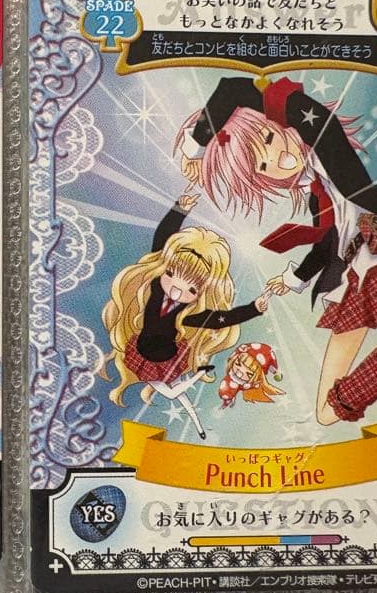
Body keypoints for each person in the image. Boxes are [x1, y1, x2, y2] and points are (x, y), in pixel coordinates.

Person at [178, 76, 377, 431]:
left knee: (344, 393)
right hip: (367, 259)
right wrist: (293, 278)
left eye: (269, 139)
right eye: (263, 167)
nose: (278, 159)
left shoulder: (315, 129)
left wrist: (196, 145)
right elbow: (327, 241)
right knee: (333, 407)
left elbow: (234, 88)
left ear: (280, 123)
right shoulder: (316, 189)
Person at [100, 188, 271, 440]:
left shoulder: (190, 314)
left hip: (166, 359)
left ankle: (198, 424)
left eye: (191, 289)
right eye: (171, 274)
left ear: (202, 292)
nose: (177, 289)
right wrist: (179, 210)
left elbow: (220, 319)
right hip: (142, 350)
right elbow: (161, 244)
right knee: (175, 393)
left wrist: (253, 309)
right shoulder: (154, 287)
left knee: (175, 393)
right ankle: (198, 416)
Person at [217, 342, 285, 408]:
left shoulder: (245, 384)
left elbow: (244, 387)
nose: (240, 372)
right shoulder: (230, 375)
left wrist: (252, 386)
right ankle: (227, 399)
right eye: (238, 364)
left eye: (249, 374)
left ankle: (228, 400)